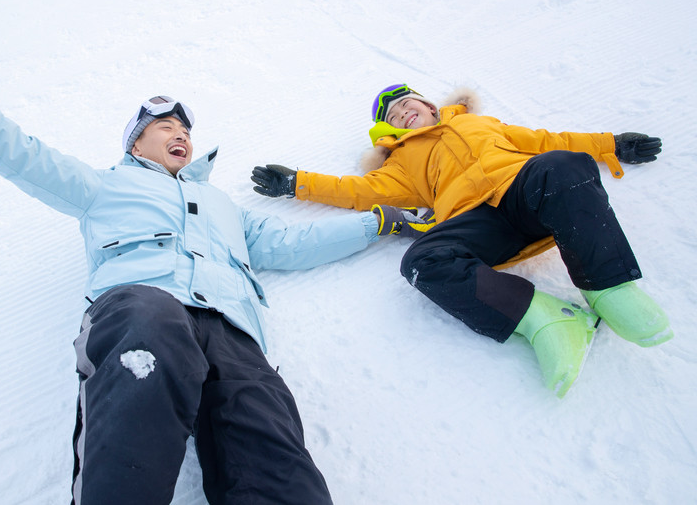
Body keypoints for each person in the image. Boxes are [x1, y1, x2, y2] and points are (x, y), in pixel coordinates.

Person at [0, 0, 432, 505]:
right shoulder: (104, 186)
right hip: (143, 306)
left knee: (270, 438)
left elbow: (293, 242)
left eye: (186, 128)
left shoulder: (222, 206)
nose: (181, 133)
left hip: (233, 329)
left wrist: (378, 222)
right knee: (145, 341)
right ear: (135, 140)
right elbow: (16, 150)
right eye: (164, 125)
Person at [251, 83, 672, 398]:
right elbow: (354, 190)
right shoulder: (401, 162)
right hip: (480, 221)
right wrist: (296, 183)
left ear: (429, 105)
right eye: (393, 116)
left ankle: (610, 290)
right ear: (387, 131)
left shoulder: (479, 123)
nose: (403, 113)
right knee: (423, 260)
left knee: (563, 164)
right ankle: (547, 317)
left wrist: (612, 144)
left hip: (525, 190)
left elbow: (549, 141)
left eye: (407, 104)